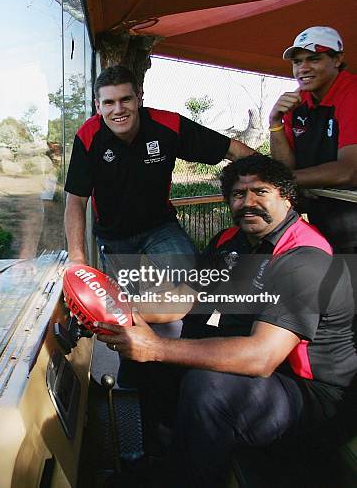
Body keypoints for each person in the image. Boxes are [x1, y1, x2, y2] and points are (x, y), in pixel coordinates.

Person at [97, 155, 357, 487]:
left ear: (287, 197)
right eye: (238, 194)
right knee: (154, 334)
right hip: (271, 371)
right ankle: (164, 453)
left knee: (208, 385)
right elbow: (184, 297)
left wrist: (158, 348)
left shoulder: (303, 256)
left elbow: (262, 356)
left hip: (313, 396)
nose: (248, 202)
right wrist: (116, 308)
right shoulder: (229, 242)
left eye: (260, 191)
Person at [64, 64, 252, 277]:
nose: (118, 109)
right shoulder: (88, 136)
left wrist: (277, 179)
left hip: (160, 227)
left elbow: (233, 150)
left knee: (191, 280)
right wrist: (77, 260)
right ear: (98, 106)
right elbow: (76, 200)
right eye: (109, 102)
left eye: (125, 99)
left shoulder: (168, 125)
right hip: (113, 235)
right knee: (122, 304)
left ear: (139, 98)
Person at [269, 26, 357, 252]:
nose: (303, 68)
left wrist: (276, 182)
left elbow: (349, 170)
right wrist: (275, 122)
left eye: (313, 59)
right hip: (326, 216)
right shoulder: (296, 103)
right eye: (297, 62)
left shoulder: (352, 93)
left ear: (337, 60)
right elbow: (285, 167)